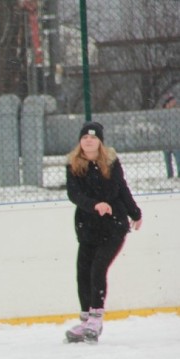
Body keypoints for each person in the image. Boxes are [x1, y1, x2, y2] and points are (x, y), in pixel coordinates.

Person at [64, 121, 143, 343]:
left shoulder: (111, 162)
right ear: (80, 142)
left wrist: (135, 213)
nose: (88, 140)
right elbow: (74, 194)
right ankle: (85, 320)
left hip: (113, 226)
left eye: (93, 137)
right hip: (87, 227)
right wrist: (94, 205)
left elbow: (121, 188)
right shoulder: (73, 165)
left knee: (98, 269)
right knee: (83, 272)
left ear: (100, 142)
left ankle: (96, 318)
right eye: (85, 137)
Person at [161, 95, 179, 178]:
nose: (175, 103)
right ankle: (170, 175)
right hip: (165, 141)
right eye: (172, 102)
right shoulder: (161, 115)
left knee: (178, 159)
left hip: (176, 140)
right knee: (168, 161)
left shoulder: (177, 113)